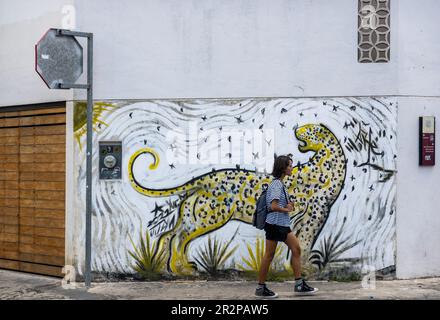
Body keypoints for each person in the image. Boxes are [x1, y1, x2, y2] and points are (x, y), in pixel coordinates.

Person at [255, 155, 318, 298]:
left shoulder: (278, 183)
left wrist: (288, 205)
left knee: (294, 250)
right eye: (289, 165)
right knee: (272, 255)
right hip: (276, 224)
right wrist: (287, 209)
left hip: (279, 224)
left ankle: (298, 284)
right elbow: (273, 206)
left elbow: (277, 204)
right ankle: (261, 288)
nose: (292, 168)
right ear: (283, 168)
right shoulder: (277, 184)